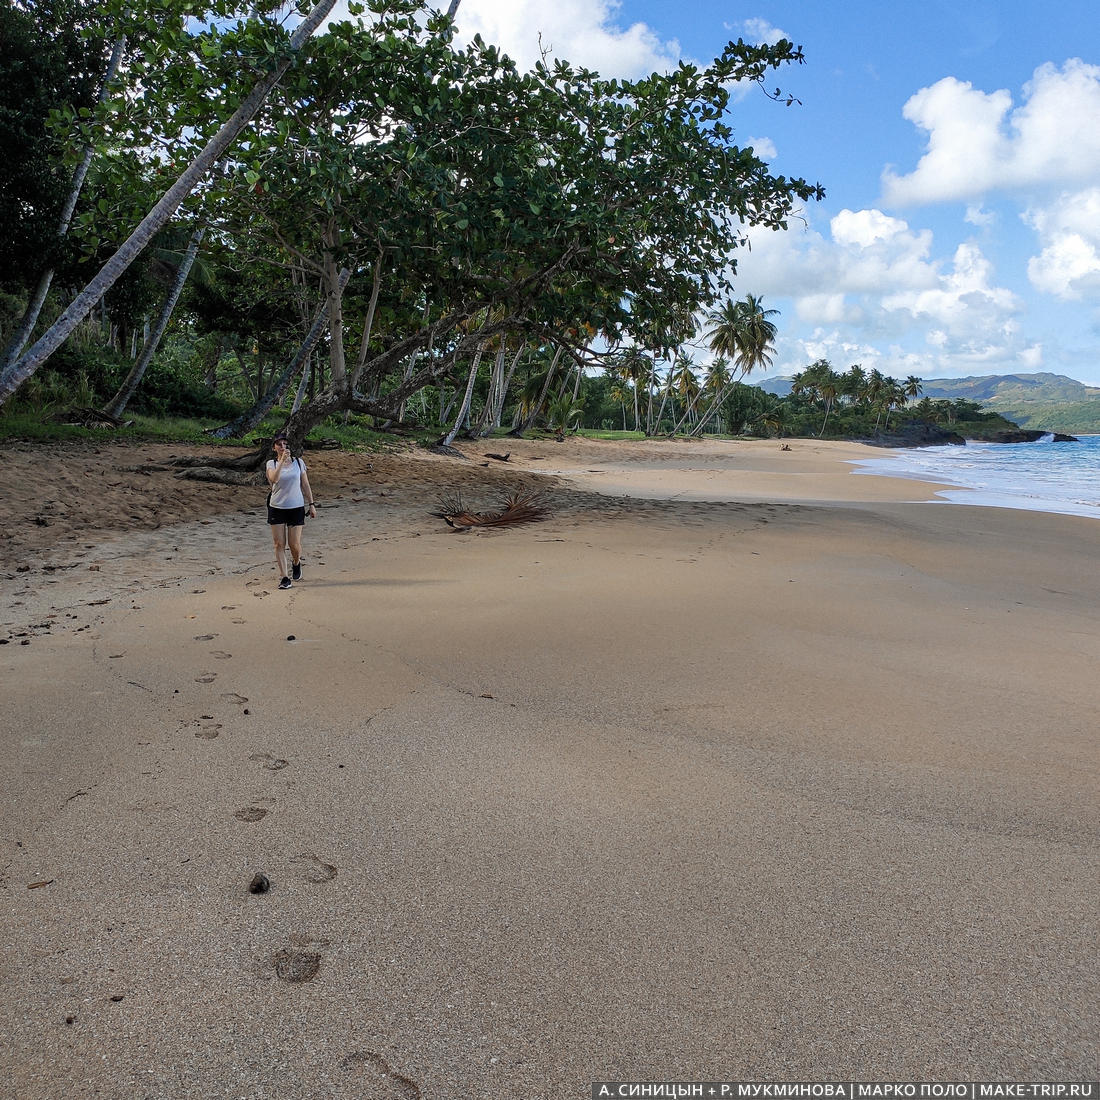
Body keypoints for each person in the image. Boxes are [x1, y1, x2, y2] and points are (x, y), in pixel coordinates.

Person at [265, 433, 315, 589]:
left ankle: (296, 562)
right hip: (277, 507)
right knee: (279, 544)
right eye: (279, 444)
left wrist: (311, 504)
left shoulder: (298, 463)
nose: (282, 447)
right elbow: (274, 479)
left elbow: (305, 485)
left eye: (285, 444)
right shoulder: (271, 464)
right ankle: (284, 577)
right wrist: (280, 462)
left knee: (294, 544)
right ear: (274, 448)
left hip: (296, 507)